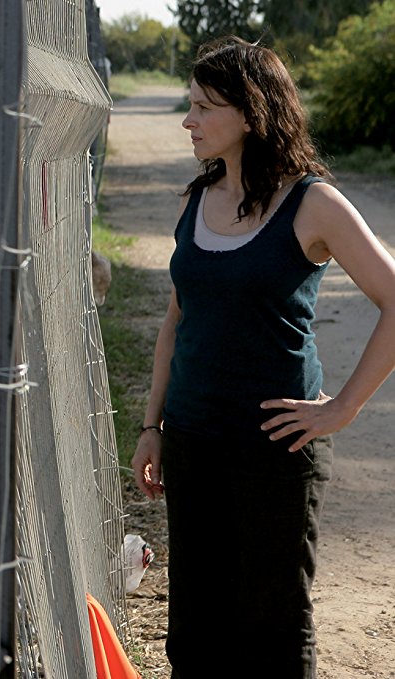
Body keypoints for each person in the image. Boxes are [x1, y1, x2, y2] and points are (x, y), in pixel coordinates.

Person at [130, 37, 395, 676]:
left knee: (272, 631)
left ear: (250, 113)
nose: (188, 121)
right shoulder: (197, 199)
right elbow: (177, 318)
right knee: (194, 630)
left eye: (201, 107)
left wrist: (342, 409)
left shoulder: (314, 203)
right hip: (192, 440)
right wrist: (151, 427)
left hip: (275, 450)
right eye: (188, 105)